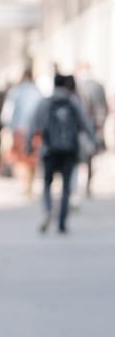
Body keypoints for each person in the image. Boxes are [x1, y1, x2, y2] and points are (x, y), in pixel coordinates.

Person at [27, 74, 94, 234]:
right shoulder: (73, 102)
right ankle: (62, 221)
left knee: (47, 184)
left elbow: (33, 124)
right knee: (65, 188)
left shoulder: (45, 102)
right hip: (69, 150)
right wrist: (94, 141)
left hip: (49, 150)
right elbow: (85, 123)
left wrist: (28, 145)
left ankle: (48, 210)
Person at [0, 69, 43, 195]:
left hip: (19, 129)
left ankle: (24, 184)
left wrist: (6, 127)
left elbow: (7, 112)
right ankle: (30, 184)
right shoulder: (37, 92)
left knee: (21, 158)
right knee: (32, 157)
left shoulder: (15, 92)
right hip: (35, 129)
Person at [75, 62, 109, 196]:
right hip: (93, 125)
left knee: (79, 154)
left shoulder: (78, 85)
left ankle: (77, 184)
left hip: (80, 126)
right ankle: (87, 183)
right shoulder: (98, 86)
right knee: (89, 155)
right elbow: (103, 107)